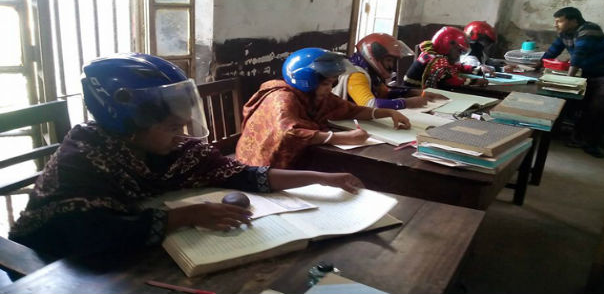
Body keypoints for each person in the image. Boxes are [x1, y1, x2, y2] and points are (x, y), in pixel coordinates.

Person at [9, 53, 366, 258]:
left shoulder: (174, 150)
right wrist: (187, 215)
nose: (181, 136)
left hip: (128, 250)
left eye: (182, 125)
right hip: (57, 263)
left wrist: (321, 178)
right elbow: (93, 236)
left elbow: (242, 174)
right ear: (127, 123)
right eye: (170, 127)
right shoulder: (85, 155)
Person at [236, 47, 411, 168]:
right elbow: (288, 133)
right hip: (261, 166)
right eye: (327, 83)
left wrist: (386, 113)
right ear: (307, 80)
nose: (330, 88)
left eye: (332, 83)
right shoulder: (282, 98)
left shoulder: (315, 95)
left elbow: (350, 109)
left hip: (298, 158)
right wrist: (339, 138)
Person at [542, 7, 604, 157]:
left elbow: (579, 55)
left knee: (598, 109)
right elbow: (552, 52)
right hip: (589, 74)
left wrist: (568, 80)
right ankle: (573, 137)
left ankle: (592, 144)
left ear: (574, 20)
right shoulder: (564, 33)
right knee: (577, 105)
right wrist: (534, 64)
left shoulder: (589, 30)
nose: (556, 25)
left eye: (559, 21)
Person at [332, 33, 446, 110]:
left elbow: (384, 92)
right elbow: (369, 105)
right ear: (373, 56)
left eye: (393, 61)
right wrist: (405, 103)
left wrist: (416, 93)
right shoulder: (357, 74)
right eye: (389, 60)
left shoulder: (371, 71)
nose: (391, 65)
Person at [404, 26, 490, 89]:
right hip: (412, 95)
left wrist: (477, 69)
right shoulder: (433, 59)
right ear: (448, 45)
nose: (459, 54)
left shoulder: (437, 55)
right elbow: (448, 80)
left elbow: (456, 67)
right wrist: (475, 81)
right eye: (458, 51)